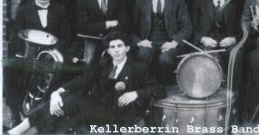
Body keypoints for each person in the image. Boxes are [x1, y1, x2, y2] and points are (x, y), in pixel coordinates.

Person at [7, 31, 165, 134]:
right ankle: (21, 132)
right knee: (63, 101)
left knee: (69, 101)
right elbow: (82, 80)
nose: (116, 50)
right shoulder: (104, 65)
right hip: (97, 108)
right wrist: (58, 92)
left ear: (127, 48)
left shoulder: (138, 67)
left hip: (118, 114)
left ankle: (17, 130)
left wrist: (136, 93)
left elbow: (159, 89)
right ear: (108, 51)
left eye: (120, 46)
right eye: (112, 47)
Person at [5, 0, 72, 128]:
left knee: (65, 73)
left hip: (50, 56)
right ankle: (15, 115)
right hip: (29, 55)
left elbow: (68, 37)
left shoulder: (60, 10)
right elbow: (15, 36)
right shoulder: (24, 10)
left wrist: (55, 51)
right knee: (10, 72)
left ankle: (49, 114)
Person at [131, 0, 192, 84]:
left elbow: (187, 27)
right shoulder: (140, 2)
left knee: (166, 59)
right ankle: (148, 88)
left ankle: (166, 88)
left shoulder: (177, 0)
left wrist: (174, 42)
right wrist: (140, 42)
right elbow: (131, 29)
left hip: (169, 43)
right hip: (148, 43)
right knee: (143, 54)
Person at [76, 0, 129, 64]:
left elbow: (123, 24)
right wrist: (107, 24)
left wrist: (96, 26)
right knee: (89, 65)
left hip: (113, 40)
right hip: (92, 39)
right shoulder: (83, 0)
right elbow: (82, 27)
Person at [192, 0, 238, 72]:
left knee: (237, 54)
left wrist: (233, 39)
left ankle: (232, 86)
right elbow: (192, 29)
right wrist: (202, 39)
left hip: (227, 44)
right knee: (213, 58)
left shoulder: (234, 6)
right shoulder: (199, 4)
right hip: (206, 45)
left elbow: (241, 31)